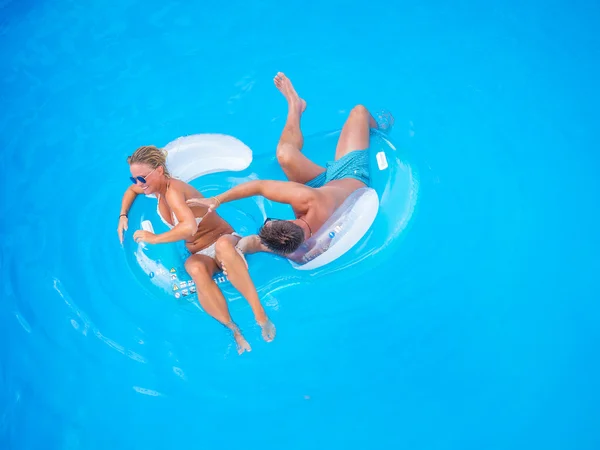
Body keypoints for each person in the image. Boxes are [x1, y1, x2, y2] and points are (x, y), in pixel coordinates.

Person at [194, 72, 392, 263]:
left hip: (324, 189)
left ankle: (295, 106)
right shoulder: (307, 200)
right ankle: (380, 129)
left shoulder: (300, 248)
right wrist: (217, 200)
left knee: (285, 155)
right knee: (359, 111)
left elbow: (257, 241)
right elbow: (260, 186)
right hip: (350, 175)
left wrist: (239, 249)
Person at [117, 145, 275, 354]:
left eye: (142, 179)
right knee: (194, 267)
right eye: (134, 178)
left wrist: (154, 239)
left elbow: (189, 226)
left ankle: (260, 315)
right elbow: (130, 191)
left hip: (223, 239)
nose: (138, 183)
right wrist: (123, 215)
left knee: (223, 247)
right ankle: (234, 329)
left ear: (159, 171)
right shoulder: (154, 188)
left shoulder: (173, 191)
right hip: (200, 253)